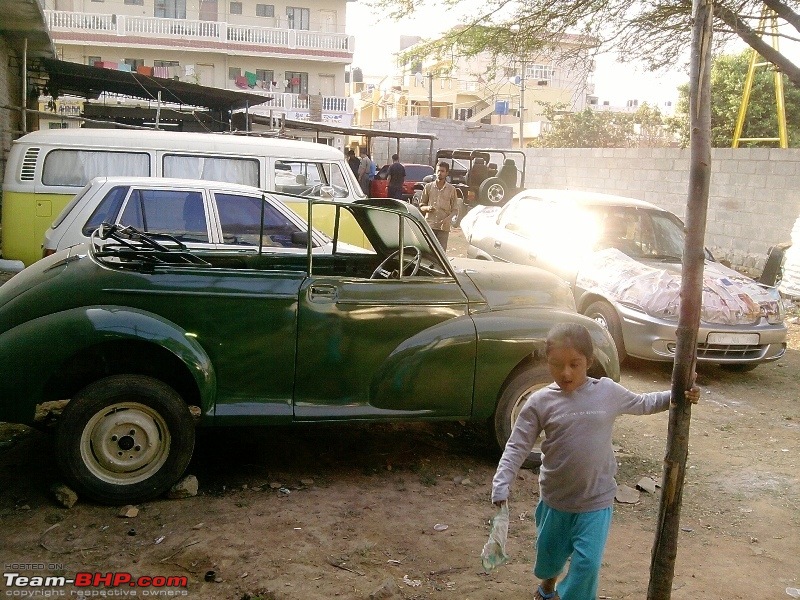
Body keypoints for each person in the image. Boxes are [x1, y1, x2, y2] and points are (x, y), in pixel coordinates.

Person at [491, 323, 700, 600]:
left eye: (574, 364)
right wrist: (501, 482)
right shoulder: (540, 402)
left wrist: (680, 393)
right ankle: (548, 587)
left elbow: (644, 402)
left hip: (596, 499)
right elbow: (517, 446)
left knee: (587, 563)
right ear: (547, 362)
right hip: (556, 499)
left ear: (589, 361)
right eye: (557, 365)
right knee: (550, 558)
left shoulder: (607, 392)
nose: (566, 373)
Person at [419, 161, 458, 250]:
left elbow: (455, 210)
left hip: (443, 228)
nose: (440, 173)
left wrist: (447, 220)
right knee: (428, 251)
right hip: (430, 225)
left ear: (447, 173)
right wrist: (427, 208)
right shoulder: (428, 187)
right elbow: (421, 205)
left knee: (441, 253)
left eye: (442, 171)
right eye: (438, 171)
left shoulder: (451, 189)